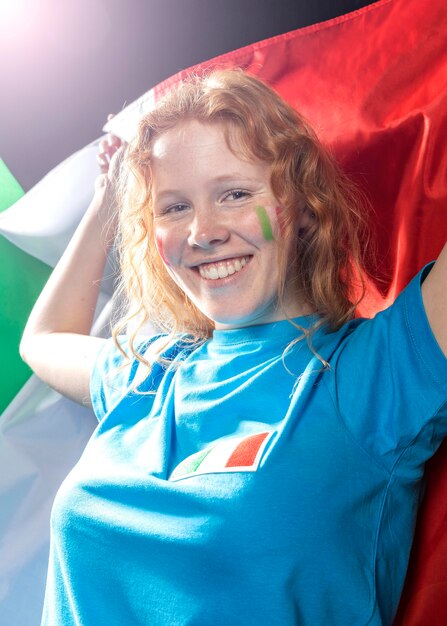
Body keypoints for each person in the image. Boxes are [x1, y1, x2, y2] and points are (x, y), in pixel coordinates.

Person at [20, 69, 447, 626]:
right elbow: (43, 340)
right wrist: (109, 196)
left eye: (235, 194)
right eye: (173, 207)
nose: (203, 230)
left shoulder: (377, 373)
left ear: (301, 205)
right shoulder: (149, 373)